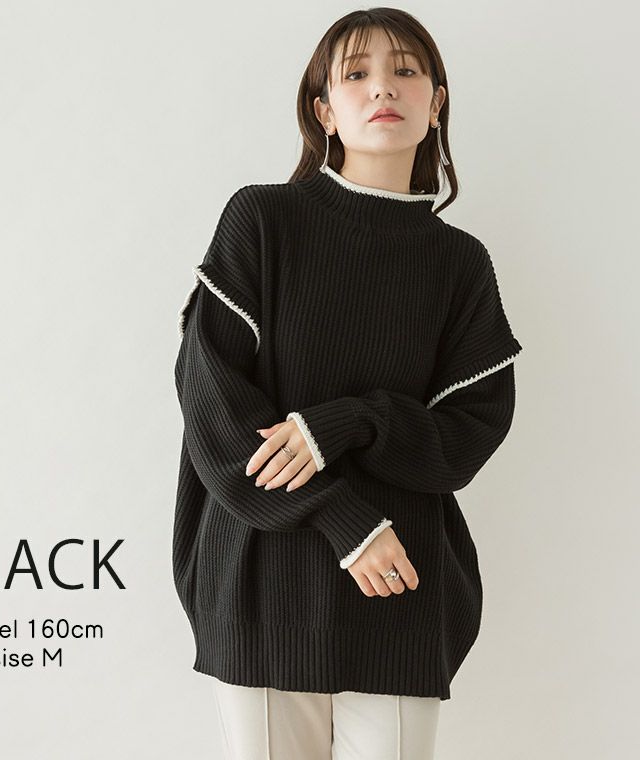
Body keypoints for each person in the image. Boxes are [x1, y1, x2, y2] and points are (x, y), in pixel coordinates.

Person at [172, 7, 523, 759]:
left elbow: (467, 434)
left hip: (398, 590)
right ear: (325, 112)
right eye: (356, 74)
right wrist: (345, 519)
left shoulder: (459, 263)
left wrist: (350, 421)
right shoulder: (262, 220)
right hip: (265, 583)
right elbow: (213, 409)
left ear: (436, 104)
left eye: (405, 71)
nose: (382, 88)